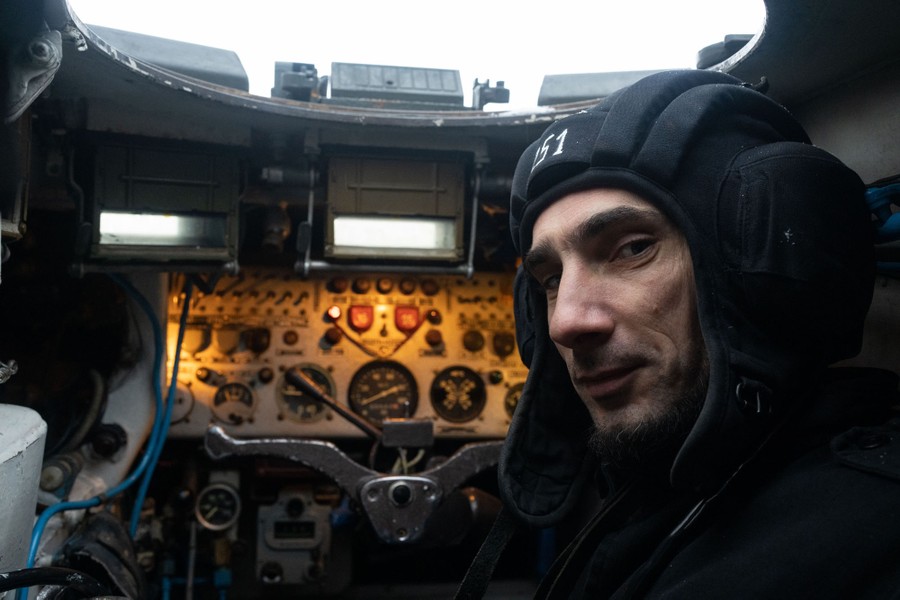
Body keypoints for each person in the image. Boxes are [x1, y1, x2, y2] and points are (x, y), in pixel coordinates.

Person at [460, 69, 900, 598]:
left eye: (632, 248)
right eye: (550, 279)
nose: (567, 322)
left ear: (755, 265)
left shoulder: (859, 540)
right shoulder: (661, 490)